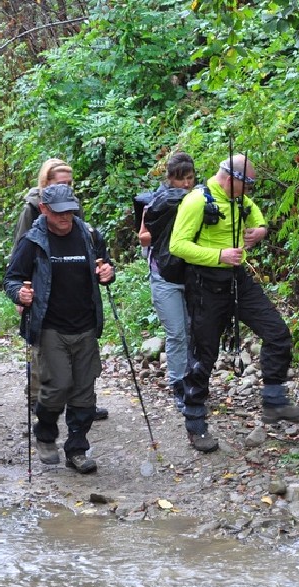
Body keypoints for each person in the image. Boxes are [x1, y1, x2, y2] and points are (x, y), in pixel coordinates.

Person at [170, 154, 299, 453]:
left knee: (277, 332)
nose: (249, 192)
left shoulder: (239, 199)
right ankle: (195, 421)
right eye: (246, 185)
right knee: (204, 354)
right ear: (230, 179)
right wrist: (219, 255)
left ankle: (274, 401)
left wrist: (260, 230)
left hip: (238, 280)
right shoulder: (196, 201)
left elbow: (256, 217)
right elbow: (177, 245)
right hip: (204, 285)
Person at [3, 184, 114, 474]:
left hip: (85, 325)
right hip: (50, 326)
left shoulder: (89, 235)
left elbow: (105, 266)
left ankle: (77, 450)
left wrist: (107, 272)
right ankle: (45, 433)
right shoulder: (33, 241)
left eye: (70, 211)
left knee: (84, 394)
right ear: (44, 209)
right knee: (58, 387)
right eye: (58, 212)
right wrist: (20, 294)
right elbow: (12, 278)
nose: (65, 217)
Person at [12, 158, 108, 420]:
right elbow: (21, 249)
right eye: (61, 182)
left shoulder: (73, 209)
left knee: (77, 359)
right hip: (40, 288)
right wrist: (21, 292)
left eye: (70, 183)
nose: (67, 187)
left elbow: (87, 245)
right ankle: (39, 401)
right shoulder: (32, 209)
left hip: (75, 298)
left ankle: (81, 403)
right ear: (47, 184)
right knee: (43, 351)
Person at [137, 152, 196, 409]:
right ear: (170, 178)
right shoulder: (156, 202)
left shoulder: (196, 199)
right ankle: (178, 385)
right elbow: (143, 236)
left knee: (193, 331)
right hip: (163, 275)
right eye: (182, 179)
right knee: (177, 333)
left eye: (190, 178)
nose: (187, 184)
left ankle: (193, 381)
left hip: (191, 274)